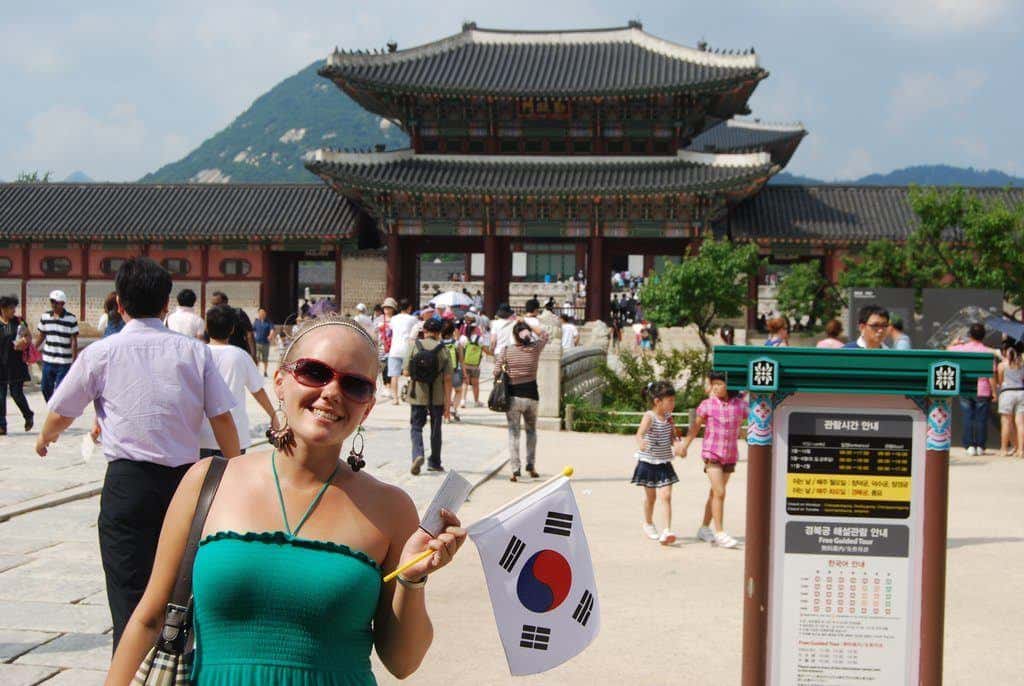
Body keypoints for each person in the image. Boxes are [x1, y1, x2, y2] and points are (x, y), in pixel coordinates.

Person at [107, 314, 466, 684]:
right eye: (314, 372)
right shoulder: (208, 482)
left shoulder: (391, 508)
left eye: (355, 385)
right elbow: (149, 619)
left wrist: (411, 580)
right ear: (280, 382)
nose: (331, 392)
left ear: (368, 407)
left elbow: (402, 662)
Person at [35, 257, 240, 650]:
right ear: (166, 304)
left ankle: (129, 669)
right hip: (186, 486)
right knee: (182, 592)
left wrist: (45, 439)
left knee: (129, 594)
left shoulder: (101, 352)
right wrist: (235, 470)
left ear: (120, 304)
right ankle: (174, 668)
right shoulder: (195, 353)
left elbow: (61, 412)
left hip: (127, 486)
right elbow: (223, 421)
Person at [677, 371, 746, 549]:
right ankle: (720, 532)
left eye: (719, 384)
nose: (714, 387)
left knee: (715, 493)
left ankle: (704, 528)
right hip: (712, 453)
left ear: (728, 385)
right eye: (713, 384)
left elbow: (757, 419)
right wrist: (685, 445)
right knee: (720, 492)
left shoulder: (740, 406)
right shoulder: (707, 405)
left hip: (730, 455)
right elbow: (695, 426)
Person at [200, 305, 278, 457]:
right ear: (232, 329)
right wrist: (273, 415)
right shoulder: (240, 356)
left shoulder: (196, 353)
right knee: (232, 479)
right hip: (234, 434)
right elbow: (257, 390)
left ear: (207, 328)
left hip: (200, 434)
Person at [494, 319, 549, 482]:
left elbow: (496, 371)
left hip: (513, 397)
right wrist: (527, 323)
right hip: (532, 396)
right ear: (526, 334)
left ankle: (515, 468)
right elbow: (545, 335)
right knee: (531, 431)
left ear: (514, 336)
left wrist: (506, 370)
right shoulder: (535, 349)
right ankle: (530, 465)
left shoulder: (506, 350)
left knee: (514, 433)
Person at [631, 381, 683, 545]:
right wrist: (640, 442)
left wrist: (678, 446)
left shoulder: (668, 418)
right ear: (657, 402)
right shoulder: (649, 416)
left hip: (664, 462)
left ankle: (667, 530)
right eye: (670, 401)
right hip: (648, 462)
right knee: (651, 497)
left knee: (666, 496)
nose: (673, 404)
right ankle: (648, 523)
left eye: (674, 400)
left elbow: (672, 437)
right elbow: (639, 434)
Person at [404, 317, 452, 474]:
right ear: (439, 333)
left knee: (416, 427)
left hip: (417, 394)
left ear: (424, 330)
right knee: (436, 429)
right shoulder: (444, 350)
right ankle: (435, 462)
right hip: (437, 396)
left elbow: (405, 371)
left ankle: (417, 454)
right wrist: (448, 402)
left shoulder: (414, 346)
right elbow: (447, 378)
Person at [948, 323, 998, 456]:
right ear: (984, 336)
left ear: (969, 334)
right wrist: (994, 392)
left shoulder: (962, 349)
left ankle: (969, 445)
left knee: (968, 417)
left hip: (965, 387)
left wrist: (954, 342)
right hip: (983, 388)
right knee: (981, 419)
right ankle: (980, 446)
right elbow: (990, 374)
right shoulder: (987, 352)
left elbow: (947, 350)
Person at [34, 289, 79, 401]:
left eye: (56, 302)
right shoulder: (45, 317)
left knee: (60, 389)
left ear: (62, 303)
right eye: (52, 301)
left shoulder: (71, 319)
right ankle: (52, 407)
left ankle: (57, 410)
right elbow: (41, 335)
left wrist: (74, 361)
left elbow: (74, 341)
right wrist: (32, 350)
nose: (53, 304)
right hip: (48, 360)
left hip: (64, 362)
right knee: (45, 388)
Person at [0, 295, 33, 435]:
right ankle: (2, 425)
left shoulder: (19, 321)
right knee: (0, 396)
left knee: (16, 394)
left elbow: (28, 336)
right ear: (3, 309)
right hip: (1, 365)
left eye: (14, 307)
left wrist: (24, 341)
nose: (14, 310)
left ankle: (28, 415)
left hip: (16, 364)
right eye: (11, 308)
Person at [996, 339, 1024, 457]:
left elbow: (1000, 380)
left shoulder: (1002, 365)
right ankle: (1021, 450)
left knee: (1006, 422)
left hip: (1007, 393)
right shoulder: (1022, 364)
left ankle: (1003, 449)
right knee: (1021, 423)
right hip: (1021, 392)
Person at [386, 298, 416, 405]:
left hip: (394, 349)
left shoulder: (393, 319)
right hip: (407, 349)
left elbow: (389, 332)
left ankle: (395, 399)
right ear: (409, 308)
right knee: (411, 374)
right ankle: (410, 395)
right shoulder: (413, 319)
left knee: (394, 376)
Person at [210, 291, 255, 359]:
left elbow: (249, 335)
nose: (214, 307)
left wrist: (253, 355)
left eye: (217, 304)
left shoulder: (238, 314)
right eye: (213, 304)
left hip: (238, 352)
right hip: (219, 354)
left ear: (225, 302)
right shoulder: (212, 316)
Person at [459, 313, 485, 408]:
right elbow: (483, 350)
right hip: (475, 365)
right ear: (476, 329)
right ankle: (476, 401)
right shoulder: (480, 339)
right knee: (475, 383)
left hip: (465, 364)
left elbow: (460, 351)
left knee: (465, 383)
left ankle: (462, 401)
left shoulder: (463, 338)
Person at [440, 320, 463, 422]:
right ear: (453, 331)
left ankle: (446, 414)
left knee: (446, 393)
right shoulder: (457, 343)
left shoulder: (439, 344)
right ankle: (453, 407)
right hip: (455, 370)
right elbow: (462, 360)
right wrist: (465, 374)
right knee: (458, 390)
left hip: (443, 371)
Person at [377, 298, 396, 399]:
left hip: (392, 345)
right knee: (383, 367)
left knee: (389, 367)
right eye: (385, 307)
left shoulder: (396, 319)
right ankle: (385, 386)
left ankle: (388, 387)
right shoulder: (379, 319)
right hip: (381, 346)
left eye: (389, 308)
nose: (387, 310)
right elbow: (374, 331)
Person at [252, 307, 275, 376]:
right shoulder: (256, 322)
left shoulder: (269, 322)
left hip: (265, 343)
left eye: (263, 312)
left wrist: (270, 335)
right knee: (257, 358)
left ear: (265, 313)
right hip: (257, 343)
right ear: (258, 313)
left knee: (265, 359)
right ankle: (256, 371)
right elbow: (252, 330)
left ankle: (265, 371)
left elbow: (272, 330)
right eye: (260, 312)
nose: (262, 314)